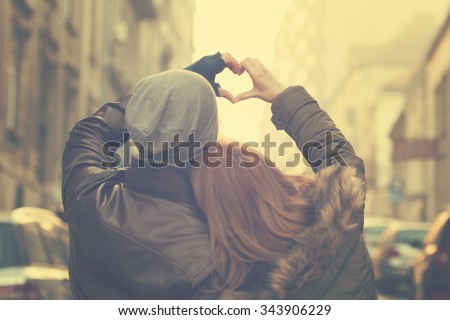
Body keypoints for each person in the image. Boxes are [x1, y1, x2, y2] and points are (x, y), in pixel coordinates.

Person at [190, 58, 378, 299]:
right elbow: (339, 159)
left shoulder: (218, 288)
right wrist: (281, 96)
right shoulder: (338, 231)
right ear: (269, 178)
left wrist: (182, 83)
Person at [61, 52, 241, 299]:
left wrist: (158, 98)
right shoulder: (210, 263)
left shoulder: (86, 194)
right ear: (206, 146)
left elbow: (91, 130)